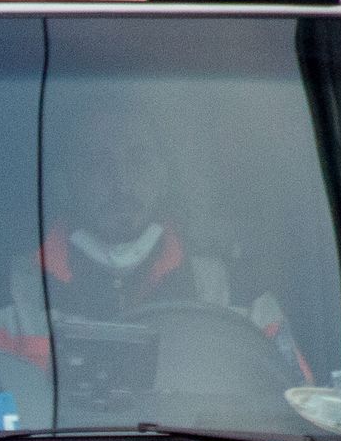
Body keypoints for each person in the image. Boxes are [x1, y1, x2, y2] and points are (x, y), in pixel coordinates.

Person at [35, 101, 313, 382]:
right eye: (97, 163)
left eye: (138, 159)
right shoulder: (8, 301)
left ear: (165, 173)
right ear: (67, 179)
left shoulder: (241, 296)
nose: (121, 182)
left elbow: (294, 408)